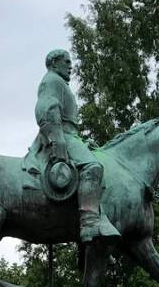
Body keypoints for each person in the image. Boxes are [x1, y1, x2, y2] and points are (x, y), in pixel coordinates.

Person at [26, 49, 120, 244]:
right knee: (93, 167)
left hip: (70, 135)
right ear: (54, 63)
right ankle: (89, 222)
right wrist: (57, 140)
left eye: (71, 62)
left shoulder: (58, 83)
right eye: (66, 62)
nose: (71, 66)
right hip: (62, 135)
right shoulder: (52, 80)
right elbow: (46, 109)